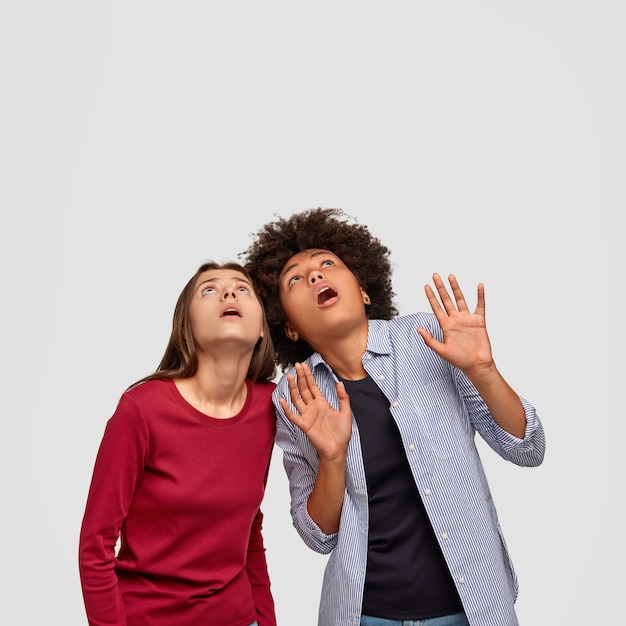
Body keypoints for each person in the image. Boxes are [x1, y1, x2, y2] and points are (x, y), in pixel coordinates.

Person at [240, 208, 546, 626]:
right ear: (288, 327)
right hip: (364, 614)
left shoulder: (429, 339)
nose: (314, 275)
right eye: (295, 277)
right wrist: (332, 457)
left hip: (473, 607)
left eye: (327, 263)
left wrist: (483, 371)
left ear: (364, 291)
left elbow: (528, 448)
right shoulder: (295, 396)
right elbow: (318, 535)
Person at [78, 262, 278, 626]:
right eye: (209, 289)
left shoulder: (270, 406)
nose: (229, 293)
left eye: (242, 288)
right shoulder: (141, 410)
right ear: (187, 327)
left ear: (263, 329)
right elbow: (95, 547)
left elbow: (250, 529)